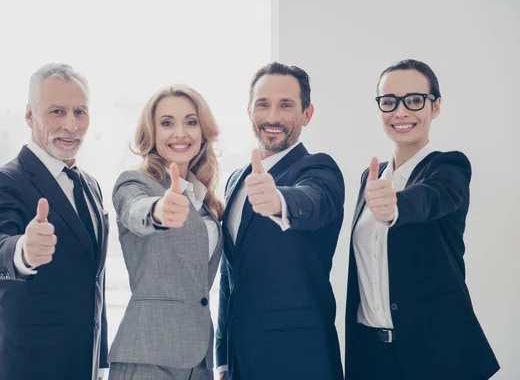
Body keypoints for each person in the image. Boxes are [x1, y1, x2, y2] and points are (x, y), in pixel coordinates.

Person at [345, 59, 500, 380]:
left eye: (414, 100)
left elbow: (434, 197)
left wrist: (396, 206)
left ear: (436, 107)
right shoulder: (369, 179)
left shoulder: (449, 167)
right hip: (371, 356)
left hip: (435, 356)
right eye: (388, 102)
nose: (400, 112)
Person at [0, 63, 109, 380]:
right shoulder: (6, 180)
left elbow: (93, 281)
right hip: (26, 368)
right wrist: (22, 249)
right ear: (29, 116)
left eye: (80, 112)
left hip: (82, 367)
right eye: (57, 112)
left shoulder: (89, 185)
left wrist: (99, 363)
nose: (71, 125)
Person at [216, 62, 345, 380]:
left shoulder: (319, 169)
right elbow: (229, 275)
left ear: (307, 114)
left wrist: (278, 201)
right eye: (263, 104)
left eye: (286, 105)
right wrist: (222, 357)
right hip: (241, 361)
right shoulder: (236, 180)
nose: (272, 117)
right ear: (249, 111)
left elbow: (315, 200)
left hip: (299, 359)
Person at [109, 85, 224, 380]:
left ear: (203, 131)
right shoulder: (134, 183)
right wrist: (158, 210)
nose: (180, 133)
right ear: (152, 133)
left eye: (190, 121)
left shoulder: (205, 200)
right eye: (167, 123)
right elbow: (135, 210)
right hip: (148, 359)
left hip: (199, 362)